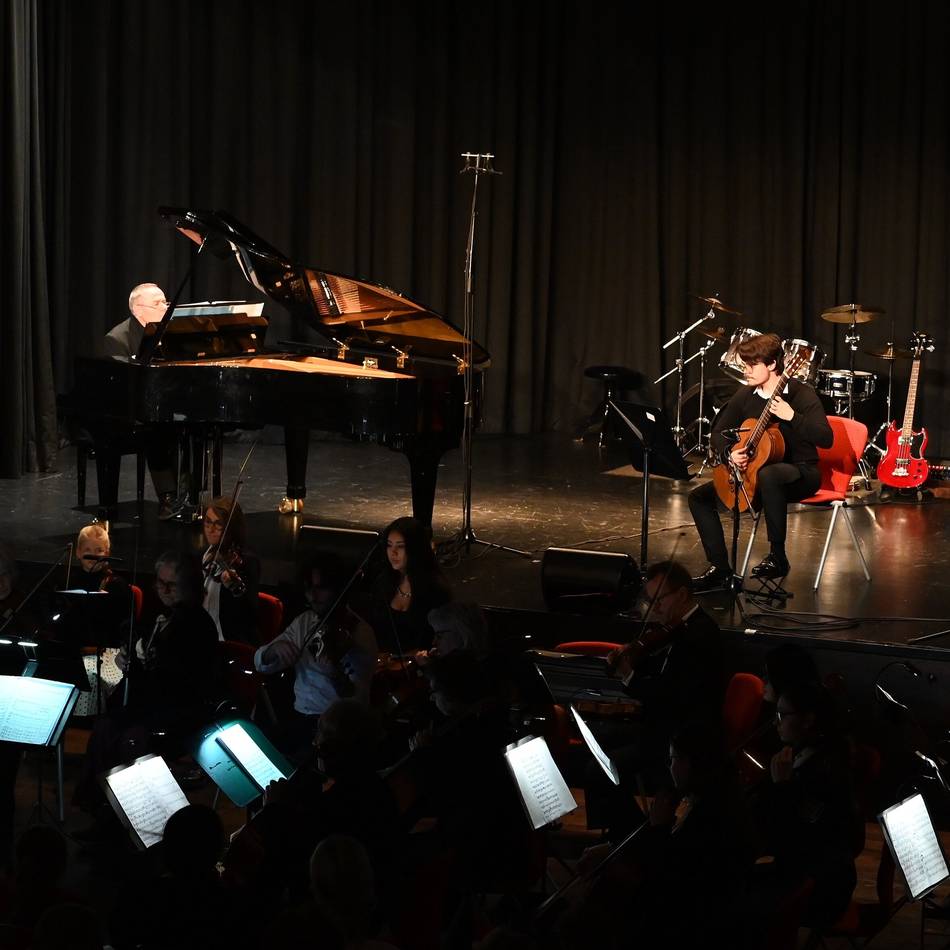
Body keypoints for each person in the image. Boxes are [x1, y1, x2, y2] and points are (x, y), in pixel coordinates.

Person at [585, 561, 725, 834]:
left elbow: (670, 696)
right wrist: (630, 656)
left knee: (599, 770)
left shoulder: (698, 637)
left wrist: (629, 676)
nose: (654, 608)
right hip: (660, 722)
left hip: (678, 737)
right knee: (597, 737)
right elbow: (659, 671)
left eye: (659, 599)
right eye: (650, 600)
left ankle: (631, 838)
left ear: (683, 595)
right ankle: (616, 833)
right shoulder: (674, 630)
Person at [688, 333, 832, 587]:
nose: (746, 371)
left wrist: (792, 416)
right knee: (698, 498)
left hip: (801, 473)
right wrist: (729, 454)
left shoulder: (802, 395)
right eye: (744, 365)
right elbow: (718, 432)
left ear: (773, 365)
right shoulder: (746, 395)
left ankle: (778, 556)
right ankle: (720, 568)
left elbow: (825, 438)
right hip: (755, 475)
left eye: (751, 365)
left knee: (770, 475)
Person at [748, 682, 860, 932]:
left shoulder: (823, 771)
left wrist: (782, 788)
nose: (775, 722)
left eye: (782, 715)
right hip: (809, 873)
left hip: (819, 890)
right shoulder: (807, 755)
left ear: (808, 720)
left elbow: (788, 838)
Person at [254, 556, 378, 760]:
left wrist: (335, 675)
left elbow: (356, 701)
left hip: (336, 729)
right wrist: (274, 650)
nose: (313, 596)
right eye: (308, 588)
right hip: (300, 718)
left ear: (338, 590)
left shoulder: (360, 633)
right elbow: (260, 663)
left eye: (321, 588)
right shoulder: (305, 621)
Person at [100, 282, 180, 519]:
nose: (166, 307)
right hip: (127, 412)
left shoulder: (171, 333)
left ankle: (187, 495)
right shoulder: (117, 339)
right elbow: (118, 388)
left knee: (190, 428)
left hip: (161, 404)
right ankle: (168, 498)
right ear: (138, 309)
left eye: (166, 302)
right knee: (158, 431)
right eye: (158, 304)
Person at [368, 517, 452, 653]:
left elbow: (439, 640)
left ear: (415, 549)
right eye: (389, 545)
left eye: (400, 546)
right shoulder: (383, 581)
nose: (393, 552)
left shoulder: (435, 589)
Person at [201, 496, 261, 644]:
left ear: (231, 527)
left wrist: (234, 588)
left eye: (218, 524)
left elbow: (250, 613)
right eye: (208, 522)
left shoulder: (247, 561)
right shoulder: (207, 554)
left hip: (228, 639)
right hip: (204, 635)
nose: (211, 529)